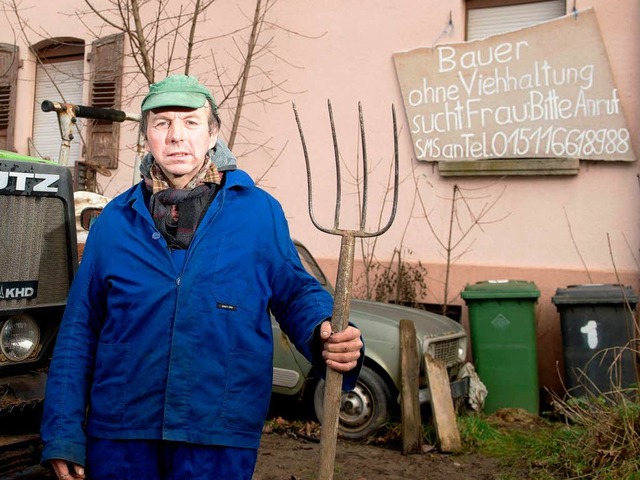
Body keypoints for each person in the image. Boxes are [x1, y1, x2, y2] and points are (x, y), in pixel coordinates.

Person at [40, 74, 364, 480]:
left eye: (191, 122)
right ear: (147, 138)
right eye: (162, 124)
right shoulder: (115, 223)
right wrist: (64, 432)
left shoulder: (257, 214)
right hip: (122, 433)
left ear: (213, 134)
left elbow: (297, 292)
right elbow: (78, 330)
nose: (176, 136)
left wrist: (325, 331)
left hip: (217, 432)